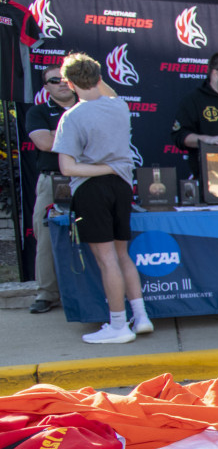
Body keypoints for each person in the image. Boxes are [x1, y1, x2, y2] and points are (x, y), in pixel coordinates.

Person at [51, 53, 152, 344]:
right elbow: (108, 90)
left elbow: (67, 168)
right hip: (121, 187)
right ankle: (141, 317)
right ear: (98, 78)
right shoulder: (119, 105)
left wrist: (104, 168)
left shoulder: (71, 117)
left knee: (107, 259)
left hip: (91, 189)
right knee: (122, 255)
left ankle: (119, 325)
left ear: (69, 84)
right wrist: (114, 169)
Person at [23, 64, 78, 314]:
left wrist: (59, 134)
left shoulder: (89, 107)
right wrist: (80, 134)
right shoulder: (38, 111)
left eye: (65, 78)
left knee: (96, 233)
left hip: (88, 179)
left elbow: (102, 139)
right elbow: (44, 143)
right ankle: (47, 294)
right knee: (46, 238)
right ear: (46, 87)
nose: (61, 83)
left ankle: (94, 288)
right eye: (54, 80)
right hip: (53, 181)